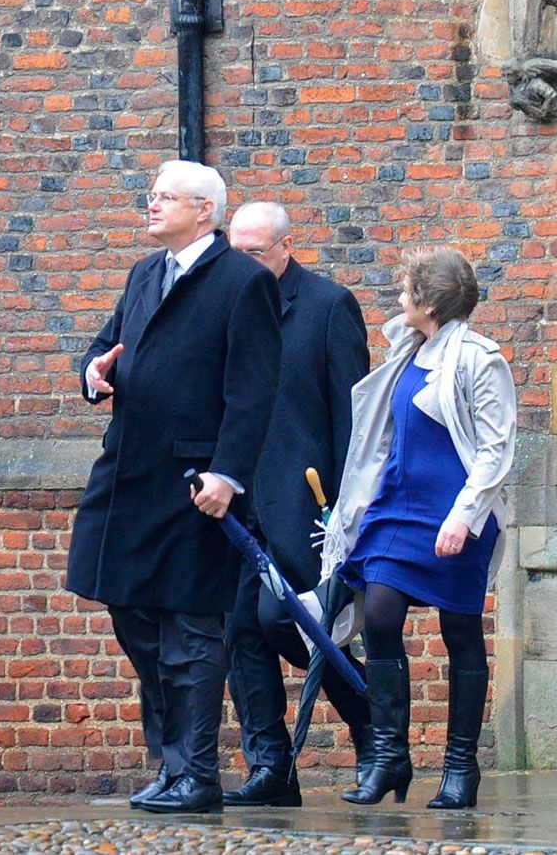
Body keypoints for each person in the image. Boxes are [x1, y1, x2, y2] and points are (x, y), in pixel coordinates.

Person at [66, 161, 281, 815]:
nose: (152, 205)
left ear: (204, 211)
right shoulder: (145, 273)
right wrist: (92, 375)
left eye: (165, 198)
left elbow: (253, 390)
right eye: (152, 195)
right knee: (129, 610)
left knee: (190, 628)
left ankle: (195, 776)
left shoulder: (242, 281)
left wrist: (227, 473)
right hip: (128, 474)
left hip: (194, 482)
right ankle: (174, 763)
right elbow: (104, 349)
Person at [320, 245, 516, 809]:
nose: (398, 298)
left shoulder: (481, 359)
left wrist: (463, 517)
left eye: (407, 289)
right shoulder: (409, 348)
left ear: (427, 301)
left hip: (454, 515)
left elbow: (497, 449)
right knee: (379, 616)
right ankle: (388, 757)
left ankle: (460, 767)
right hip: (395, 511)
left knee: (460, 631)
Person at [224, 201, 372, 808]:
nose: (242, 264)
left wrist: (344, 511)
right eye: (233, 252)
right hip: (234, 501)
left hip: (308, 507)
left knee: (293, 623)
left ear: (286, 247)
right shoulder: (224, 306)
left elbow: (353, 421)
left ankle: (376, 734)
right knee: (237, 631)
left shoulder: (328, 306)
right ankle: (272, 768)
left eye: (254, 253)